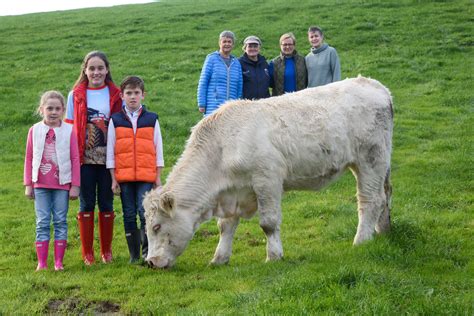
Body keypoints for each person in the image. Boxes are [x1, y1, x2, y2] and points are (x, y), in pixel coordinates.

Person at [65, 51, 122, 265]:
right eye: (92, 68)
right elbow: (69, 128)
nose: (96, 72)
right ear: (85, 70)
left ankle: (106, 251)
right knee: (86, 202)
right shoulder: (76, 94)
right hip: (84, 159)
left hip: (109, 159)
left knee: (106, 202)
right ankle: (87, 252)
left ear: (107, 70)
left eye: (100, 68)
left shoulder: (116, 93)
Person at [106, 76, 164, 263]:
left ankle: (148, 251)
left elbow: (158, 148)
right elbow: (110, 151)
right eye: (128, 93)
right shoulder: (115, 120)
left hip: (146, 176)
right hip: (124, 176)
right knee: (129, 213)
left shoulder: (152, 119)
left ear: (143, 95)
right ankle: (134, 255)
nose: (133, 97)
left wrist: (157, 176)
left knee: (143, 212)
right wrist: (113, 178)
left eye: (136, 93)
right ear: (122, 96)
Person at [24, 91, 80, 271]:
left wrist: (75, 186)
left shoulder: (69, 131)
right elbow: (29, 157)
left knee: (60, 221)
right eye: (49, 108)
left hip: (62, 185)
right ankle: (41, 262)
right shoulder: (34, 130)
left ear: (63, 110)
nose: (53, 112)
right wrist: (28, 184)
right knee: (42, 221)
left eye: (57, 109)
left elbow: (75, 159)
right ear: (42, 109)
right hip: (40, 184)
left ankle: (58, 262)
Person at [197, 30, 243, 116]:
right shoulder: (211, 59)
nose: (227, 44)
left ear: (233, 44)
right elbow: (203, 82)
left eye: (229, 42)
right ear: (219, 43)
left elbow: (239, 86)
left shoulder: (236, 63)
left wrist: (239, 104)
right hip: (213, 106)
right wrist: (201, 104)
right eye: (224, 41)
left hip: (231, 108)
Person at [238, 35, 270, 100]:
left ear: (259, 48)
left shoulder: (264, 63)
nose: (253, 49)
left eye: (255, 46)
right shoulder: (239, 63)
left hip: (264, 104)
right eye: (250, 46)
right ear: (245, 48)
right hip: (246, 104)